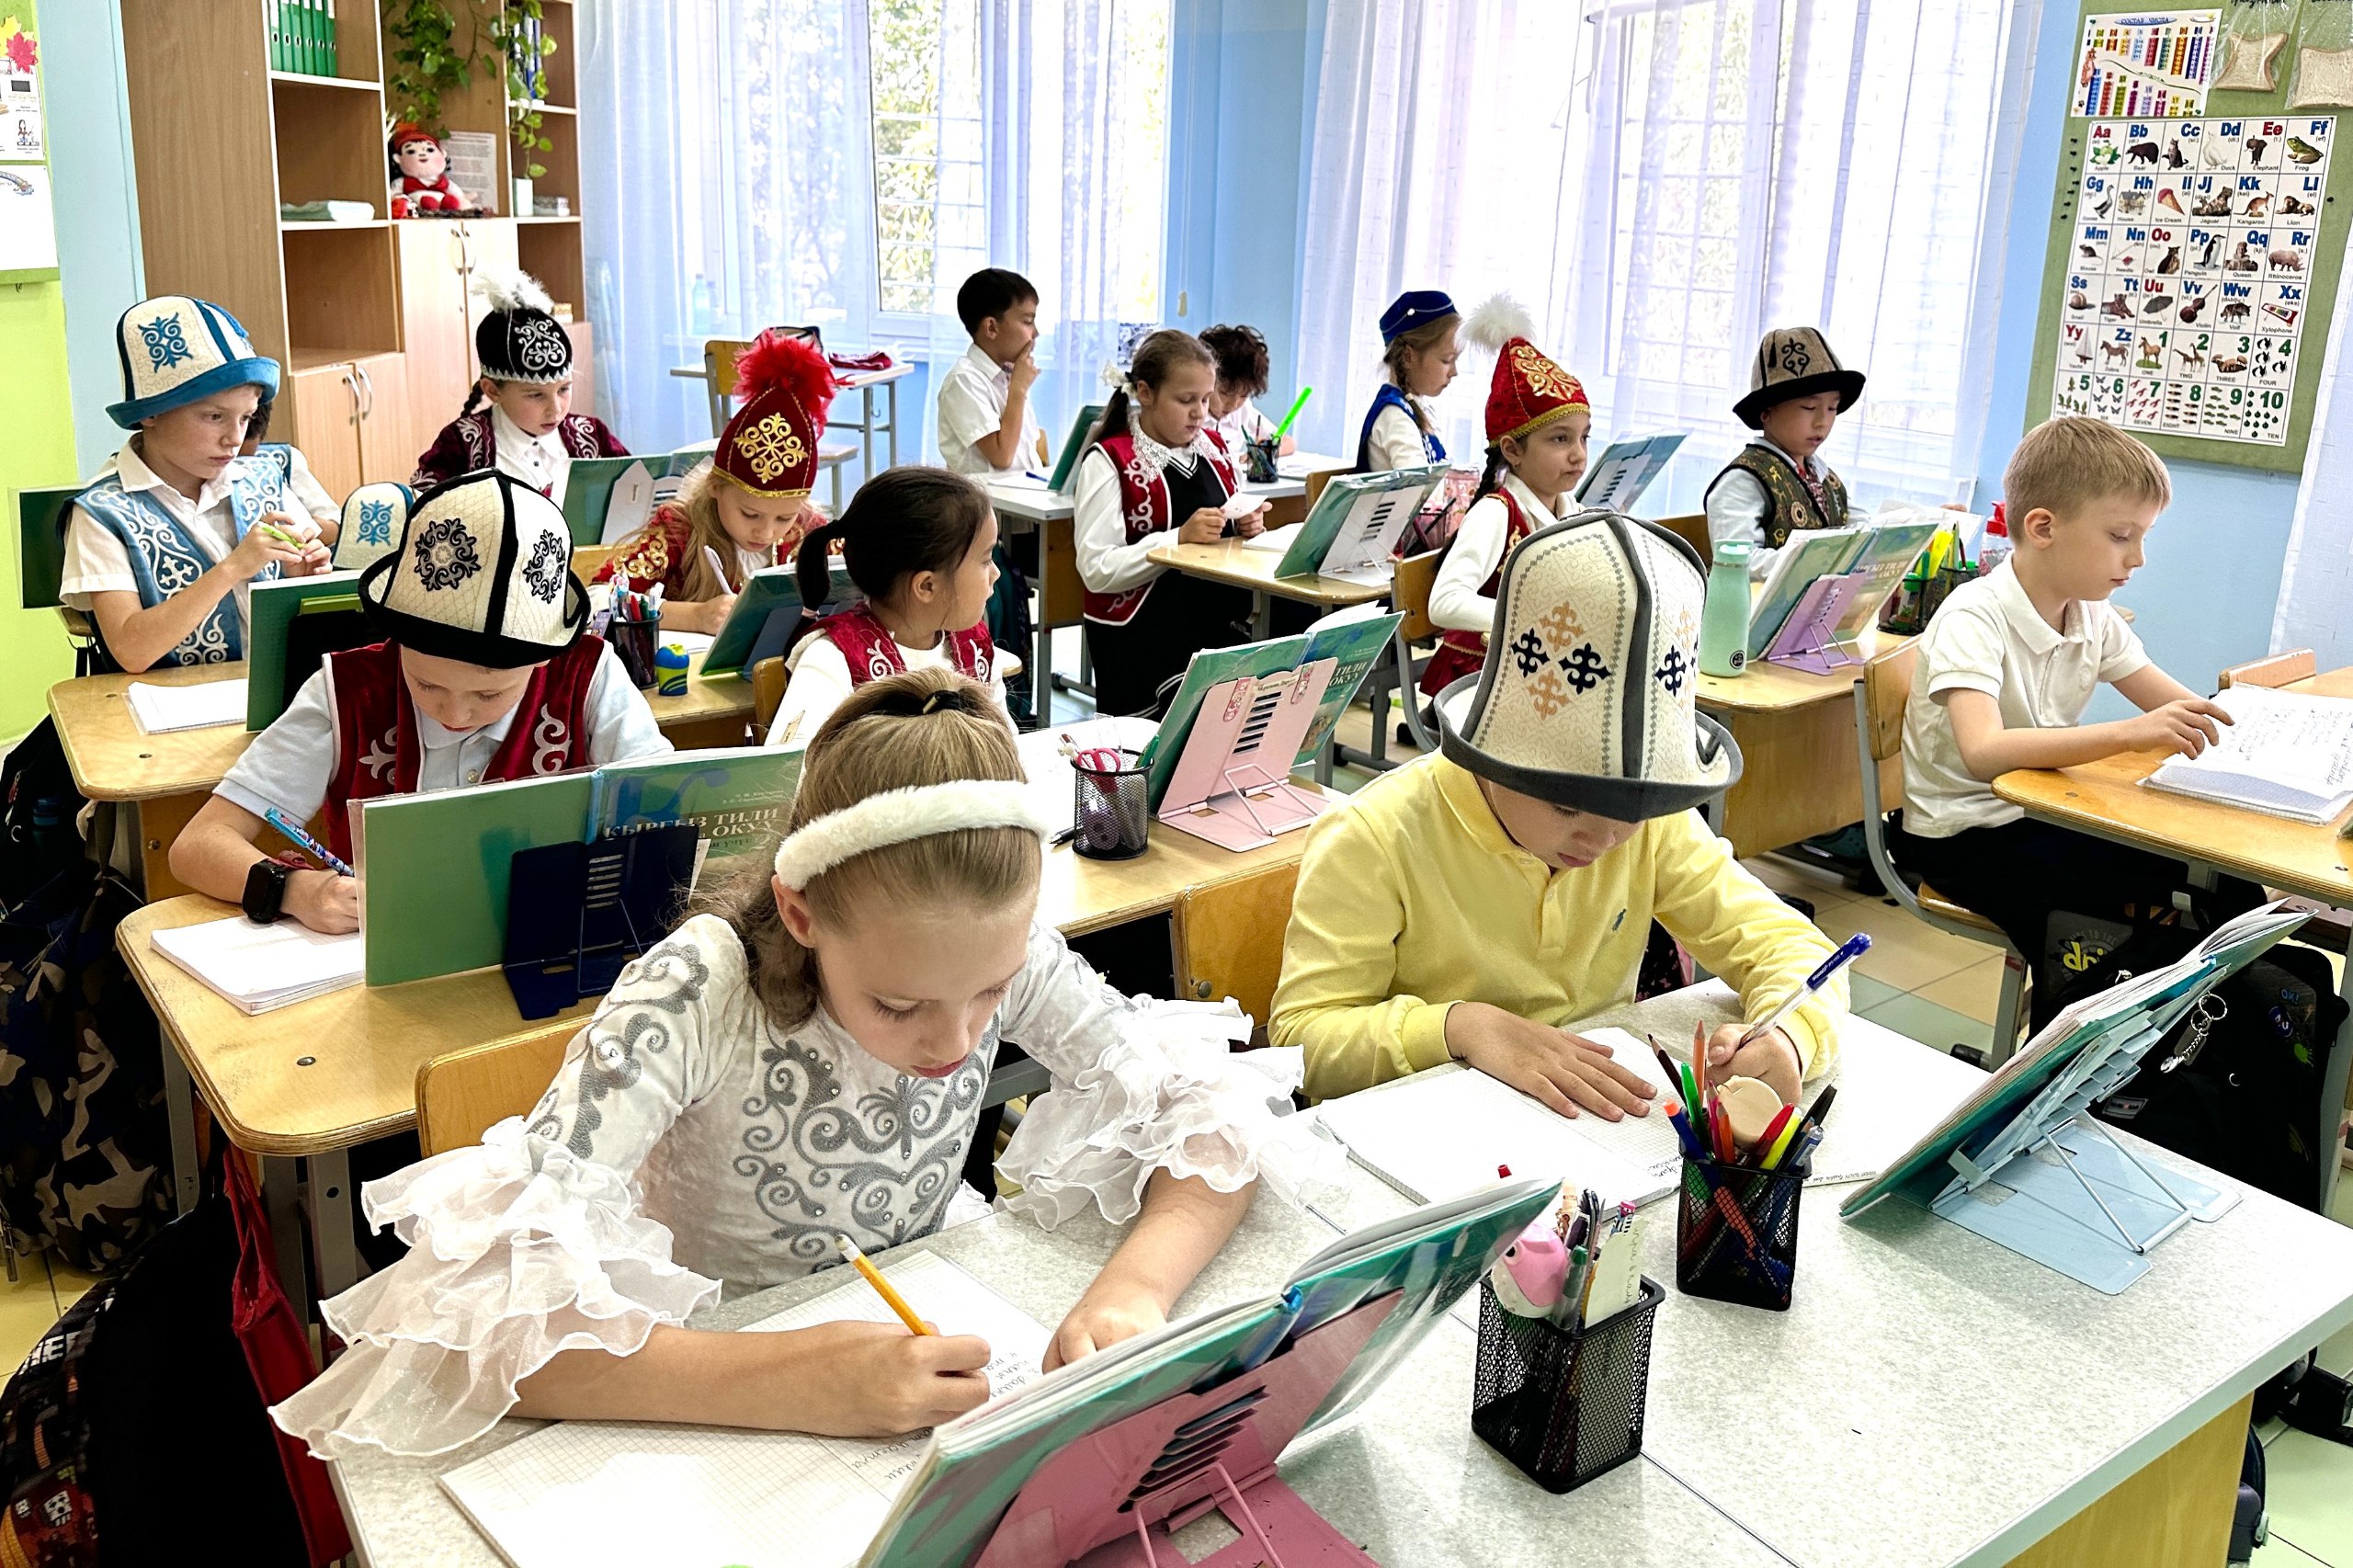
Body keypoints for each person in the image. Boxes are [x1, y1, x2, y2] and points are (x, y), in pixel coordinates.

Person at [269, 667, 1341, 1457]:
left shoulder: (987, 951)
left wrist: (1133, 1293)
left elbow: (1215, 1118)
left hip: (912, 1349)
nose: (956, 1042)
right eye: (898, 1004)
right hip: (697, 1379)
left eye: (990, 992)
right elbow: (475, 1335)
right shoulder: (701, 989)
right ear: (799, 912)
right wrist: (798, 1379)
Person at [1271, 510, 1846, 1110]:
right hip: (1429, 1126)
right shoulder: (1375, 836)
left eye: (1635, 811)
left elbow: (1794, 949)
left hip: (1594, 1134)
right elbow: (1303, 1041)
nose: (1604, 838)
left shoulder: (1651, 828)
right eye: (1567, 806)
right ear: (1495, 756)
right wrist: (1459, 1027)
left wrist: (1788, 1036)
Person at [166, 472, 672, 934]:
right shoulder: (348, 690)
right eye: (427, 685)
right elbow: (197, 845)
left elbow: (671, 817)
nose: (454, 715)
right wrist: (294, 890)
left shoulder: (587, 675)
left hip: (550, 950)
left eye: (490, 694)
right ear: (398, 644)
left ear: (543, 661)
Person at [1893, 415, 2262, 1028]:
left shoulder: (2091, 614)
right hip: (1964, 836)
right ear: (2043, 528)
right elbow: (1983, 751)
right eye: (2121, 536)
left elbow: (2179, 707)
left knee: (2227, 883)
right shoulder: (1973, 617)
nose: (2138, 558)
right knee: (2092, 921)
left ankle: (2217, 1043)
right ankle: (2073, 1062)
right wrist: (2128, 734)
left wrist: (2264, 734)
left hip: (2040, 811)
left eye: (2142, 537)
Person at [60, 295, 332, 672]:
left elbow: (307, 623)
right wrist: (232, 569)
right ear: (151, 412)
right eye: (214, 417)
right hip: (168, 701)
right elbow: (130, 650)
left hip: (273, 690)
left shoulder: (263, 477)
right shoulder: (102, 513)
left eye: (245, 418)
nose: (234, 439)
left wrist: (299, 582)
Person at [1074, 329, 1270, 718]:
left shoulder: (1213, 448)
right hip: (1141, 632)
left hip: (1211, 617)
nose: (1200, 412)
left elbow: (1226, 524)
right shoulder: (1111, 460)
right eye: (1185, 400)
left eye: (1205, 399)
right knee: (1198, 710)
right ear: (1145, 393)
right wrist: (1178, 539)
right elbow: (1096, 570)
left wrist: (1244, 526)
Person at [596, 330, 835, 632]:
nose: (765, 532)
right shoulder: (680, 529)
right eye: (750, 514)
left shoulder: (809, 533)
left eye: (783, 518)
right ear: (715, 486)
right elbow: (598, 598)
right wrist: (693, 616)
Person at [1423, 296, 1592, 699]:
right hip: (1477, 683)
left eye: (1584, 438)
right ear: (1512, 449)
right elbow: (1443, 603)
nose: (1578, 454)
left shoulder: (1572, 512)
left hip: (1530, 674)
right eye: (1560, 439)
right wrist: (1531, 618)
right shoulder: (1495, 514)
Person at [766, 468, 1006, 748]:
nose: (996, 573)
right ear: (926, 586)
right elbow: (788, 766)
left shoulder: (973, 646)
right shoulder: (833, 660)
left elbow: (1006, 747)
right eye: (986, 559)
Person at [411, 268, 626, 499]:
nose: (555, 409)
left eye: (564, 389)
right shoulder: (461, 444)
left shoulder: (591, 436)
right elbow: (419, 508)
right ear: (492, 391)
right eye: (536, 395)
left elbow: (639, 489)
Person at [1703, 327, 1866, 580]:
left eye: (1832, 408)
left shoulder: (1824, 478)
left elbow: (1864, 529)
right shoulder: (1743, 480)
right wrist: (1815, 560)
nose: (1822, 421)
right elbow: (1739, 562)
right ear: (1766, 412)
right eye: (1809, 407)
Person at [938, 267, 1047, 476]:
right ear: (991, 328)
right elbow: (1002, 457)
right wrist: (1018, 391)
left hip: (1026, 489)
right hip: (988, 496)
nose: (1036, 333)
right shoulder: (963, 380)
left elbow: (1028, 454)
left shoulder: (1009, 375)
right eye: (1027, 322)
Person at [1355, 290, 1459, 472]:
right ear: (1407, 357)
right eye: (1447, 360)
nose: (1454, 372)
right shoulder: (1395, 416)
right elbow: (1418, 485)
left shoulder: (1416, 406)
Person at [1199, 324, 1296, 460]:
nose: (1233, 404)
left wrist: (1266, 452)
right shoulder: (1193, 413)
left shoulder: (1243, 410)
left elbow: (1288, 442)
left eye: (1244, 395)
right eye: (1225, 393)